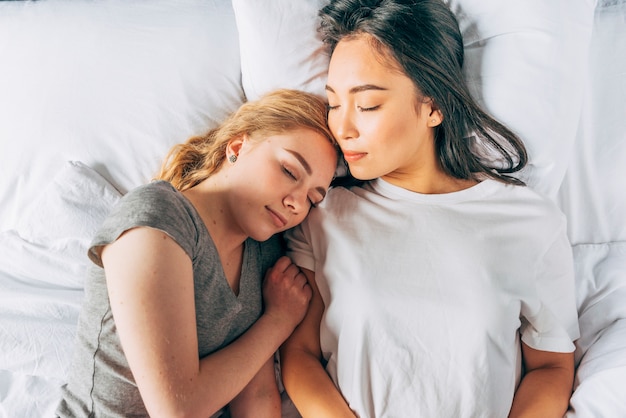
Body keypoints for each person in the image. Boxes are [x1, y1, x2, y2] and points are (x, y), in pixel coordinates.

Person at [280, 1, 579, 417]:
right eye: (333, 104)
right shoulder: (323, 215)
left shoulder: (529, 221)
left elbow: (551, 364)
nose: (343, 128)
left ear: (433, 106)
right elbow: (299, 355)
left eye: (367, 105)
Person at [56, 89, 339, 418]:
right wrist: (277, 321)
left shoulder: (265, 255)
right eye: (290, 171)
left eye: (313, 199)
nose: (297, 204)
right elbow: (177, 409)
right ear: (236, 147)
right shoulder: (158, 216)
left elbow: (257, 396)